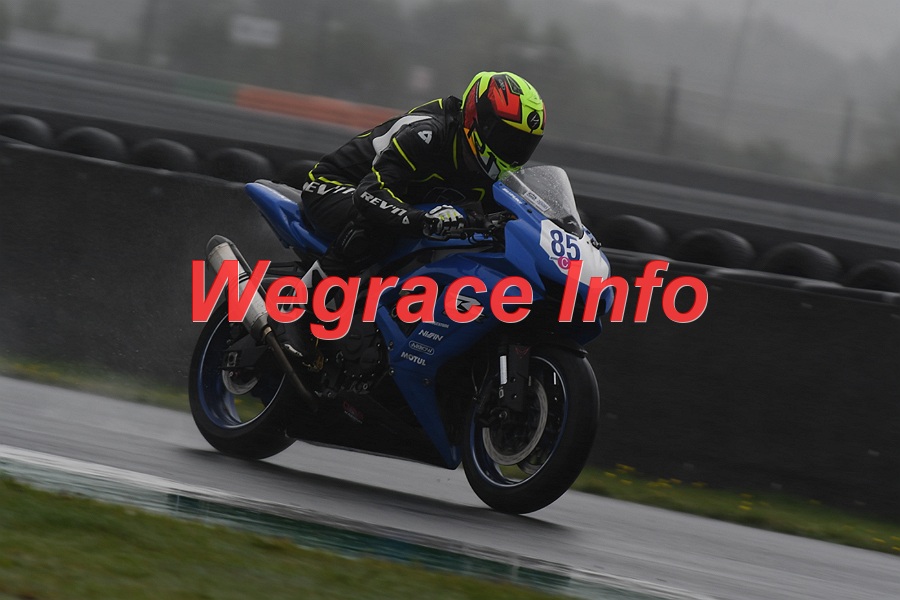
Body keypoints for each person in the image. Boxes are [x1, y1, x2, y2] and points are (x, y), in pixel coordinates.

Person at [281, 71, 546, 361]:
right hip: (335, 187)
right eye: (505, 138)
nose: (512, 151)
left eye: (522, 145)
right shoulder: (429, 133)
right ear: (476, 118)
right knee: (379, 227)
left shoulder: (494, 172)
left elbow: (518, 215)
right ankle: (295, 307)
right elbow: (370, 194)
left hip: (401, 204)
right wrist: (421, 220)